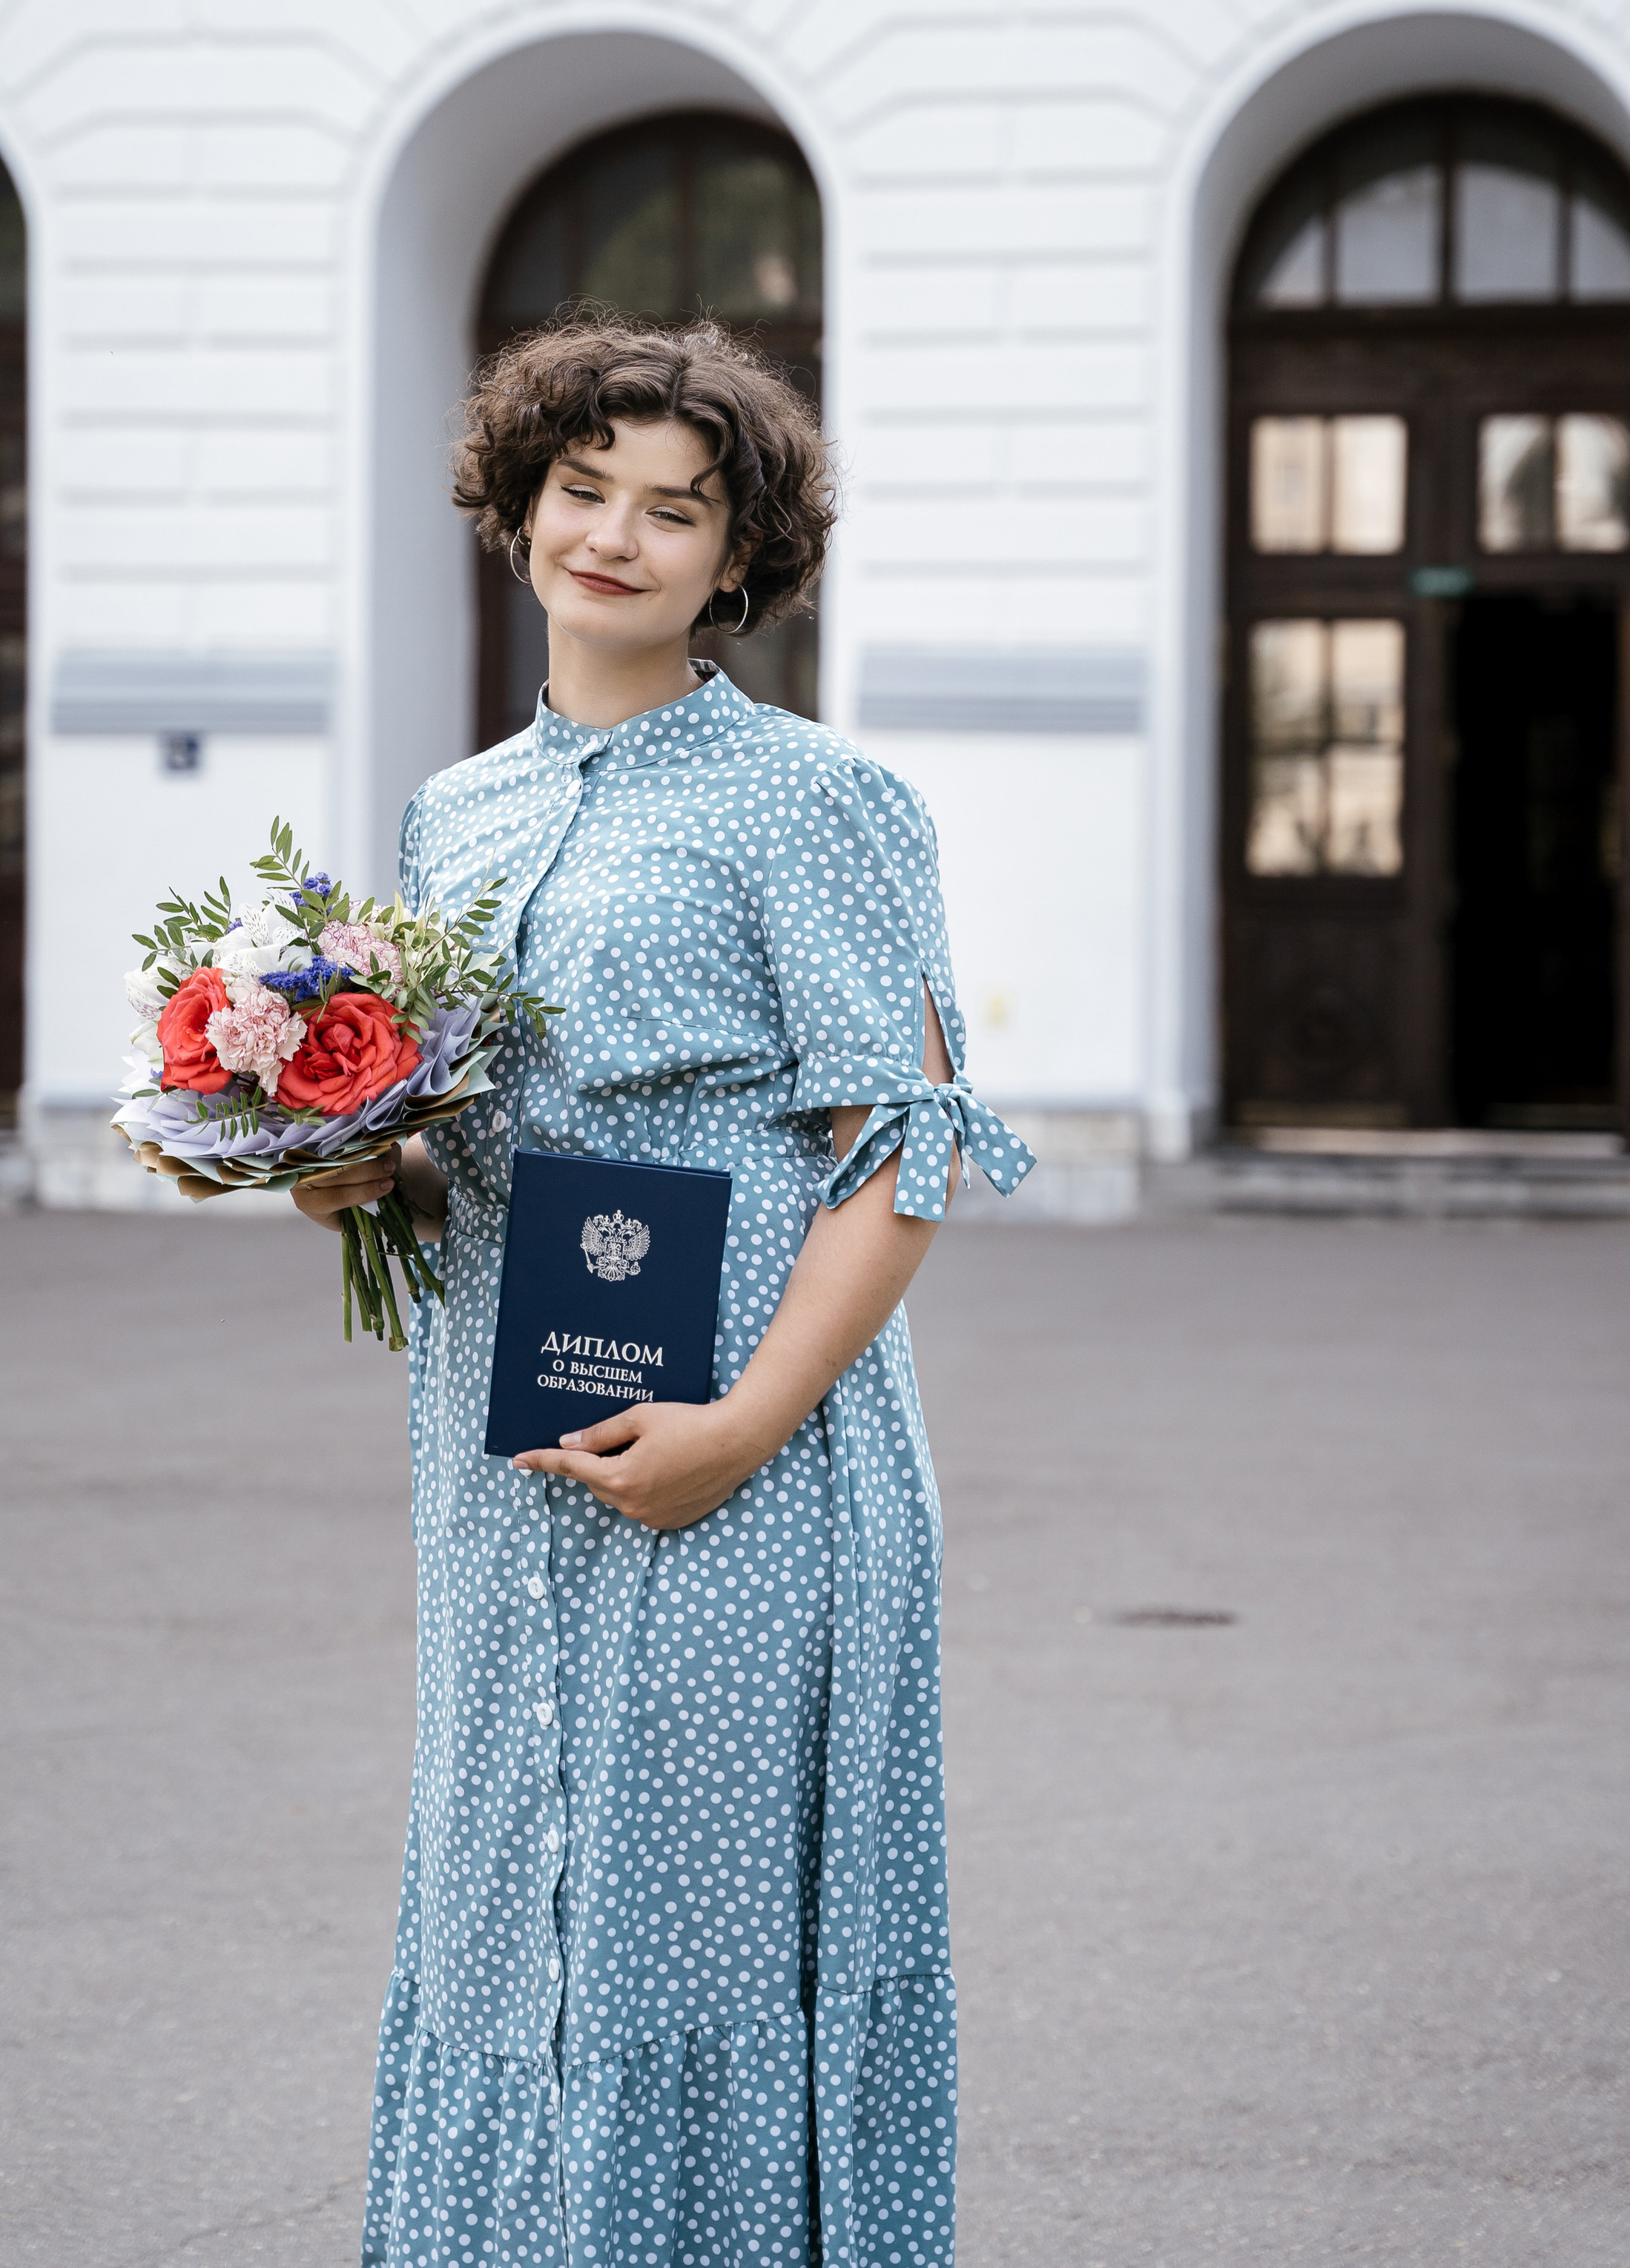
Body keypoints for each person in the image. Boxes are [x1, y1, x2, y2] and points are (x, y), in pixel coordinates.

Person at [296, 315, 1034, 2268]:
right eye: (585, 488)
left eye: (675, 509)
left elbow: (913, 1149)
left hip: (754, 1448)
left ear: (740, 559)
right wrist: (348, 1172)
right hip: (508, 1434)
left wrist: (742, 1429)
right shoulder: (451, 817)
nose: (615, 534)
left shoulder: (818, 802)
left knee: (686, 1913)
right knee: (510, 1879)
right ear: (519, 502)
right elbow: (470, 1157)